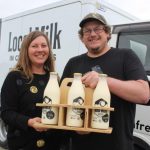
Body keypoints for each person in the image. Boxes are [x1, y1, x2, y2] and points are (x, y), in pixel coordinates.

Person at [61, 13, 150, 150]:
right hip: (81, 145)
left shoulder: (126, 56)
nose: (92, 34)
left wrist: (103, 80)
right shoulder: (73, 63)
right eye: (87, 31)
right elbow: (62, 102)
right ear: (82, 37)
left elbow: (144, 94)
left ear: (107, 33)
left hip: (117, 145)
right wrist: (73, 127)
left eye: (98, 29)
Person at [1, 31, 62, 150]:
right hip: (23, 144)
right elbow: (6, 113)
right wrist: (29, 122)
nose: (40, 50)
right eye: (34, 46)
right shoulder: (15, 77)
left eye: (44, 46)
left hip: (51, 144)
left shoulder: (54, 78)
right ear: (26, 50)